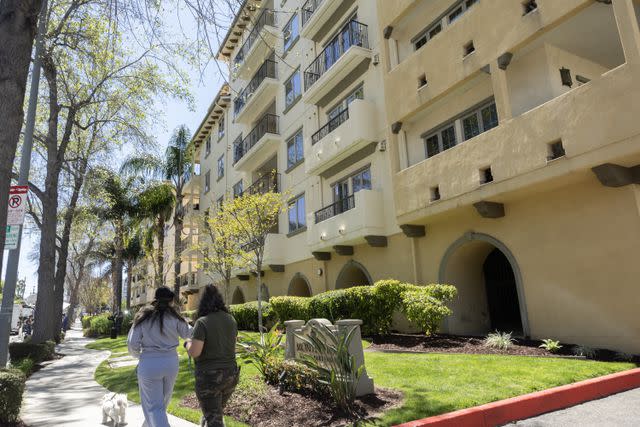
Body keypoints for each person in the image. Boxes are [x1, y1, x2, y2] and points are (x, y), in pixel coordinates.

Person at [127, 287, 191, 427]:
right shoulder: (175, 317)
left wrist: (139, 356)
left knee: (154, 407)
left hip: (149, 363)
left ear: (155, 299)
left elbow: (132, 344)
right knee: (161, 405)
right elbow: (189, 333)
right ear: (171, 300)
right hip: (170, 363)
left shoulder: (143, 316)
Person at [185, 285, 239, 427]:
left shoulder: (202, 322)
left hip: (209, 378)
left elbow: (195, 352)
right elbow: (233, 348)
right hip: (231, 375)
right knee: (215, 414)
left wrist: (187, 344)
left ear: (203, 303)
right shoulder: (231, 320)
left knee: (214, 419)